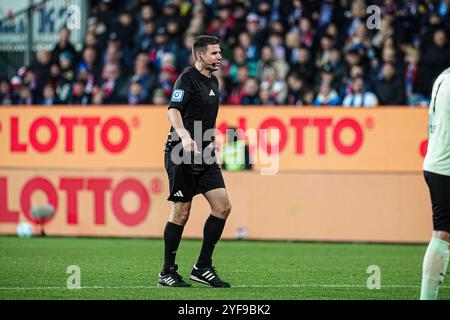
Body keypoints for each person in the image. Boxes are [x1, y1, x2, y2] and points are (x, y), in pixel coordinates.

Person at [158, 35, 232, 288]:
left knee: (222, 207)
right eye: (214, 53)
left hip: (205, 152)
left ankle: (202, 267)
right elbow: (173, 110)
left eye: (219, 52)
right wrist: (184, 135)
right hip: (181, 150)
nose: (219, 56)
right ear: (200, 55)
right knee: (182, 211)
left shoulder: (213, 81)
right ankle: (167, 272)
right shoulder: (187, 79)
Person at [421, 66, 450, 300]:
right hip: (446, 166)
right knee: (443, 234)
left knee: (442, 232)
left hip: (435, 160)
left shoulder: (443, 76)